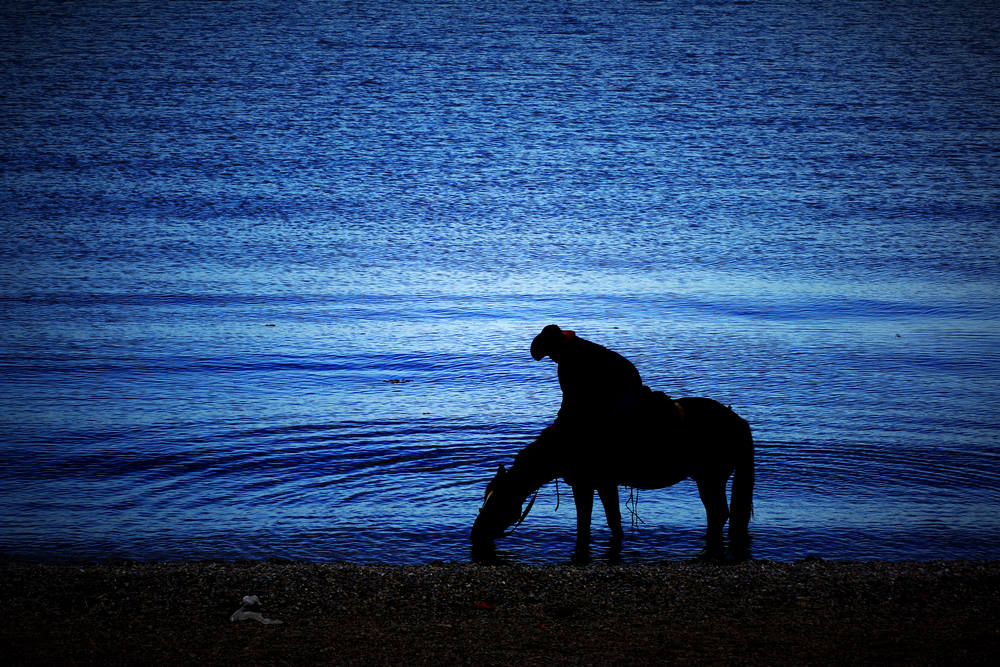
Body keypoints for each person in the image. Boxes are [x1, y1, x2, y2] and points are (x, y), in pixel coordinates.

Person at [529, 324, 644, 446]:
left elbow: (571, 398)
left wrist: (559, 426)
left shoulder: (570, 361)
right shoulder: (580, 346)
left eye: (549, 354)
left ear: (555, 348)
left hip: (622, 390)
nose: (551, 358)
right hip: (627, 382)